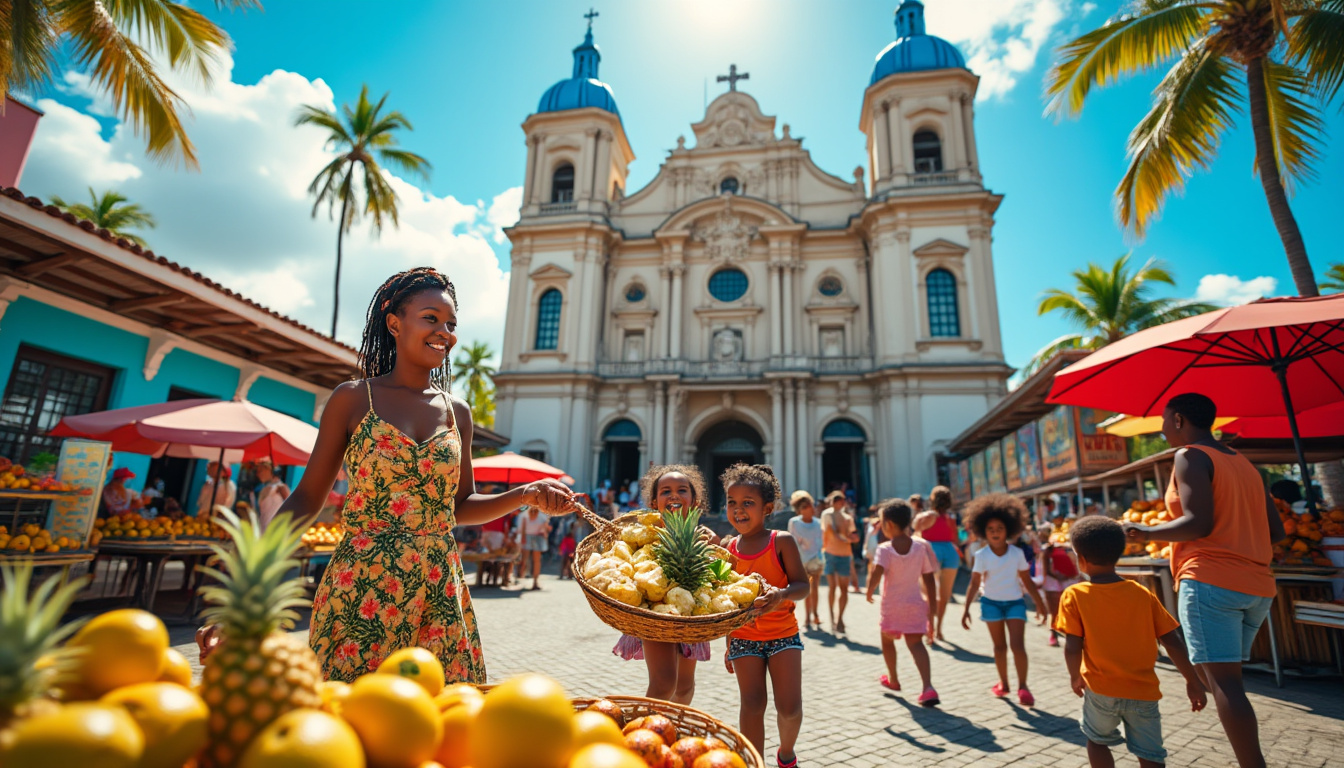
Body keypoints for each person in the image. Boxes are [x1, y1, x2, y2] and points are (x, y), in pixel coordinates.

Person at [199, 267, 576, 682]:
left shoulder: (458, 413)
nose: (444, 332)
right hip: (360, 587)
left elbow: (459, 507)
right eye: (431, 318)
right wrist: (244, 594)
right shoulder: (353, 399)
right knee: (348, 718)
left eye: (451, 324)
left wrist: (527, 493)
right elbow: (306, 499)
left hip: (440, 590)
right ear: (394, 324)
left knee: (445, 725)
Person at [1123, 393, 1284, 768]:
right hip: (1257, 585)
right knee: (1227, 681)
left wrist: (1141, 531)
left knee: (1226, 685)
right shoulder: (1245, 464)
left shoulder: (1190, 456)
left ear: (1179, 419)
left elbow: (1197, 523)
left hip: (1211, 580)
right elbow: (1274, 532)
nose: (1162, 429)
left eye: (1164, 421)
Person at [1059, 516, 1206, 768]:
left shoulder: (1075, 595)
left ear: (1081, 559)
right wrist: (1193, 680)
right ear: (1119, 554)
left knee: (1097, 741)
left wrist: (1075, 676)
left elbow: (1073, 645)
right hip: (1143, 692)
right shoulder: (1140, 593)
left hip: (1100, 689)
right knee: (1150, 754)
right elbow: (1172, 640)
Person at [721, 463, 808, 768]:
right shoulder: (727, 547)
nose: (738, 510)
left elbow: (802, 586)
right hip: (745, 638)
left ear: (767, 508)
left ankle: (786, 753)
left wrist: (781, 595)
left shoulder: (780, 541)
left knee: (789, 708)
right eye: (732, 502)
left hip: (783, 635)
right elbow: (726, 601)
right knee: (752, 704)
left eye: (748, 503)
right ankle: (753, 762)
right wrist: (729, 642)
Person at [612, 464, 715, 704]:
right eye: (665, 491)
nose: (674, 495)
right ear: (654, 501)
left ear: (695, 500)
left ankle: (672, 732)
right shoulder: (645, 533)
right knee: (664, 682)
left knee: (684, 687)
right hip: (655, 613)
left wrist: (713, 546)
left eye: (682, 490)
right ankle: (642, 733)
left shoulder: (703, 537)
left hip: (691, 612)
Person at [961, 493, 1049, 706]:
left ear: (1008, 529)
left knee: (1018, 646)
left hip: (1015, 604)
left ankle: (1023, 687)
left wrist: (1040, 605)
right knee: (999, 648)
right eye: (990, 529)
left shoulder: (1017, 553)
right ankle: (1004, 683)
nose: (995, 533)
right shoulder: (981, 556)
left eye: (1000, 528)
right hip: (990, 604)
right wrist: (965, 610)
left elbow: (1027, 582)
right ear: (983, 531)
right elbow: (974, 583)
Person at [865, 497, 940, 706]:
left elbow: (876, 572)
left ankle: (894, 679)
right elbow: (929, 579)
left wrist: (869, 590)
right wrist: (931, 610)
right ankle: (928, 687)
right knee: (916, 644)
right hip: (915, 604)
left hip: (892, 606)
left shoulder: (885, 549)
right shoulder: (920, 547)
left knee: (887, 640)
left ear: (888, 524)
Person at [913, 486, 961, 643]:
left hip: (931, 551)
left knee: (929, 594)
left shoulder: (927, 515)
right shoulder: (951, 517)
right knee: (945, 595)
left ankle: (930, 629)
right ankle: (939, 629)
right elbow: (955, 538)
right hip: (950, 552)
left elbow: (915, 528)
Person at [820, 490, 858, 633]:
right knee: (832, 587)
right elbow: (829, 532)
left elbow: (852, 534)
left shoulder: (848, 517)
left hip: (844, 553)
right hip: (830, 552)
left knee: (843, 589)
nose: (841, 503)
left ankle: (840, 618)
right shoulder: (827, 514)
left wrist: (850, 539)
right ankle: (832, 618)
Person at [1037, 522, 1079, 647]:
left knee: (1058, 611)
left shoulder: (1052, 549)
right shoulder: (1051, 550)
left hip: (1060, 581)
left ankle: (1058, 635)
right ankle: (1055, 634)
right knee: (1057, 611)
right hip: (1058, 581)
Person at [787, 490, 824, 631]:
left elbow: (820, 542)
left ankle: (814, 614)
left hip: (815, 559)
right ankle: (808, 617)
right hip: (802, 561)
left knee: (815, 589)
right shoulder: (794, 523)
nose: (813, 509)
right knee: (807, 590)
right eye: (809, 506)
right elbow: (794, 542)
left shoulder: (818, 523)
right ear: (801, 509)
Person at [250, 458, 291, 529]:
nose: (258, 474)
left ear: (271, 470)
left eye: (260, 470)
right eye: (257, 471)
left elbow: (291, 507)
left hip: (274, 531)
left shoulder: (280, 487)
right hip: (262, 530)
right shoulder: (262, 488)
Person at [518, 506, 551, 590]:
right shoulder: (526, 515)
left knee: (535, 561)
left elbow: (545, 529)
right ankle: (525, 578)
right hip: (530, 537)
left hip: (536, 538)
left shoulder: (541, 516)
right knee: (528, 560)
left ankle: (534, 581)